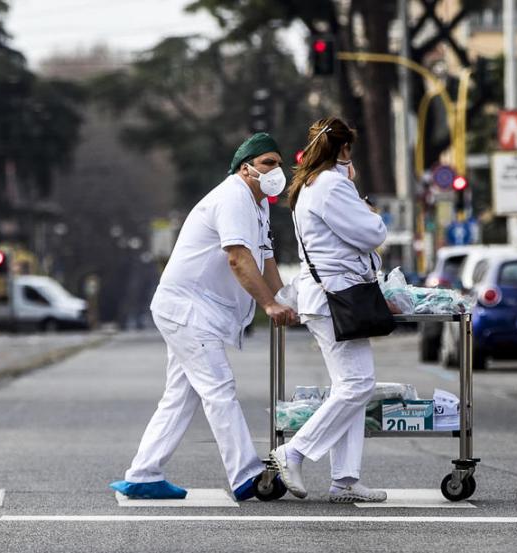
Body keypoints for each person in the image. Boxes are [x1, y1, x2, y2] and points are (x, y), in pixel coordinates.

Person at [110, 133, 298, 502]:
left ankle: (144, 474)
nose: (277, 171)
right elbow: (238, 258)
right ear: (245, 168)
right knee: (219, 388)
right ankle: (246, 474)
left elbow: (267, 260)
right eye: (267, 163)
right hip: (188, 309)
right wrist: (269, 306)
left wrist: (288, 300)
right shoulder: (233, 197)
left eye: (279, 163)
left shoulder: (258, 205)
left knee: (181, 396)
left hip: (196, 309)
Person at [269, 117, 388, 503]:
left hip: (326, 295)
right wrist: (370, 211)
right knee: (358, 385)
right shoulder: (332, 186)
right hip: (336, 296)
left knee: (349, 387)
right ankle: (295, 452)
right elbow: (372, 235)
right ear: (343, 150)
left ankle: (345, 479)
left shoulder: (310, 184)